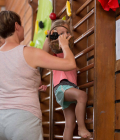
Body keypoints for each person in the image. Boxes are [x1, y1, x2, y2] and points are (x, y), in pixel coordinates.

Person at [0, 11, 76, 140]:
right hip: (23, 118)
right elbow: (70, 64)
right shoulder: (29, 52)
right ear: (16, 26)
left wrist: (32, 85)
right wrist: (64, 45)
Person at [43, 19, 92, 140]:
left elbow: (71, 64)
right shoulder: (55, 56)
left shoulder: (68, 53)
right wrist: (48, 36)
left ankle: (76, 128)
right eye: (61, 33)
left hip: (70, 87)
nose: (65, 35)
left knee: (70, 124)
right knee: (82, 96)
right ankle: (81, 128)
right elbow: (44, 52)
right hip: (61, 87)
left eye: (67, 32)